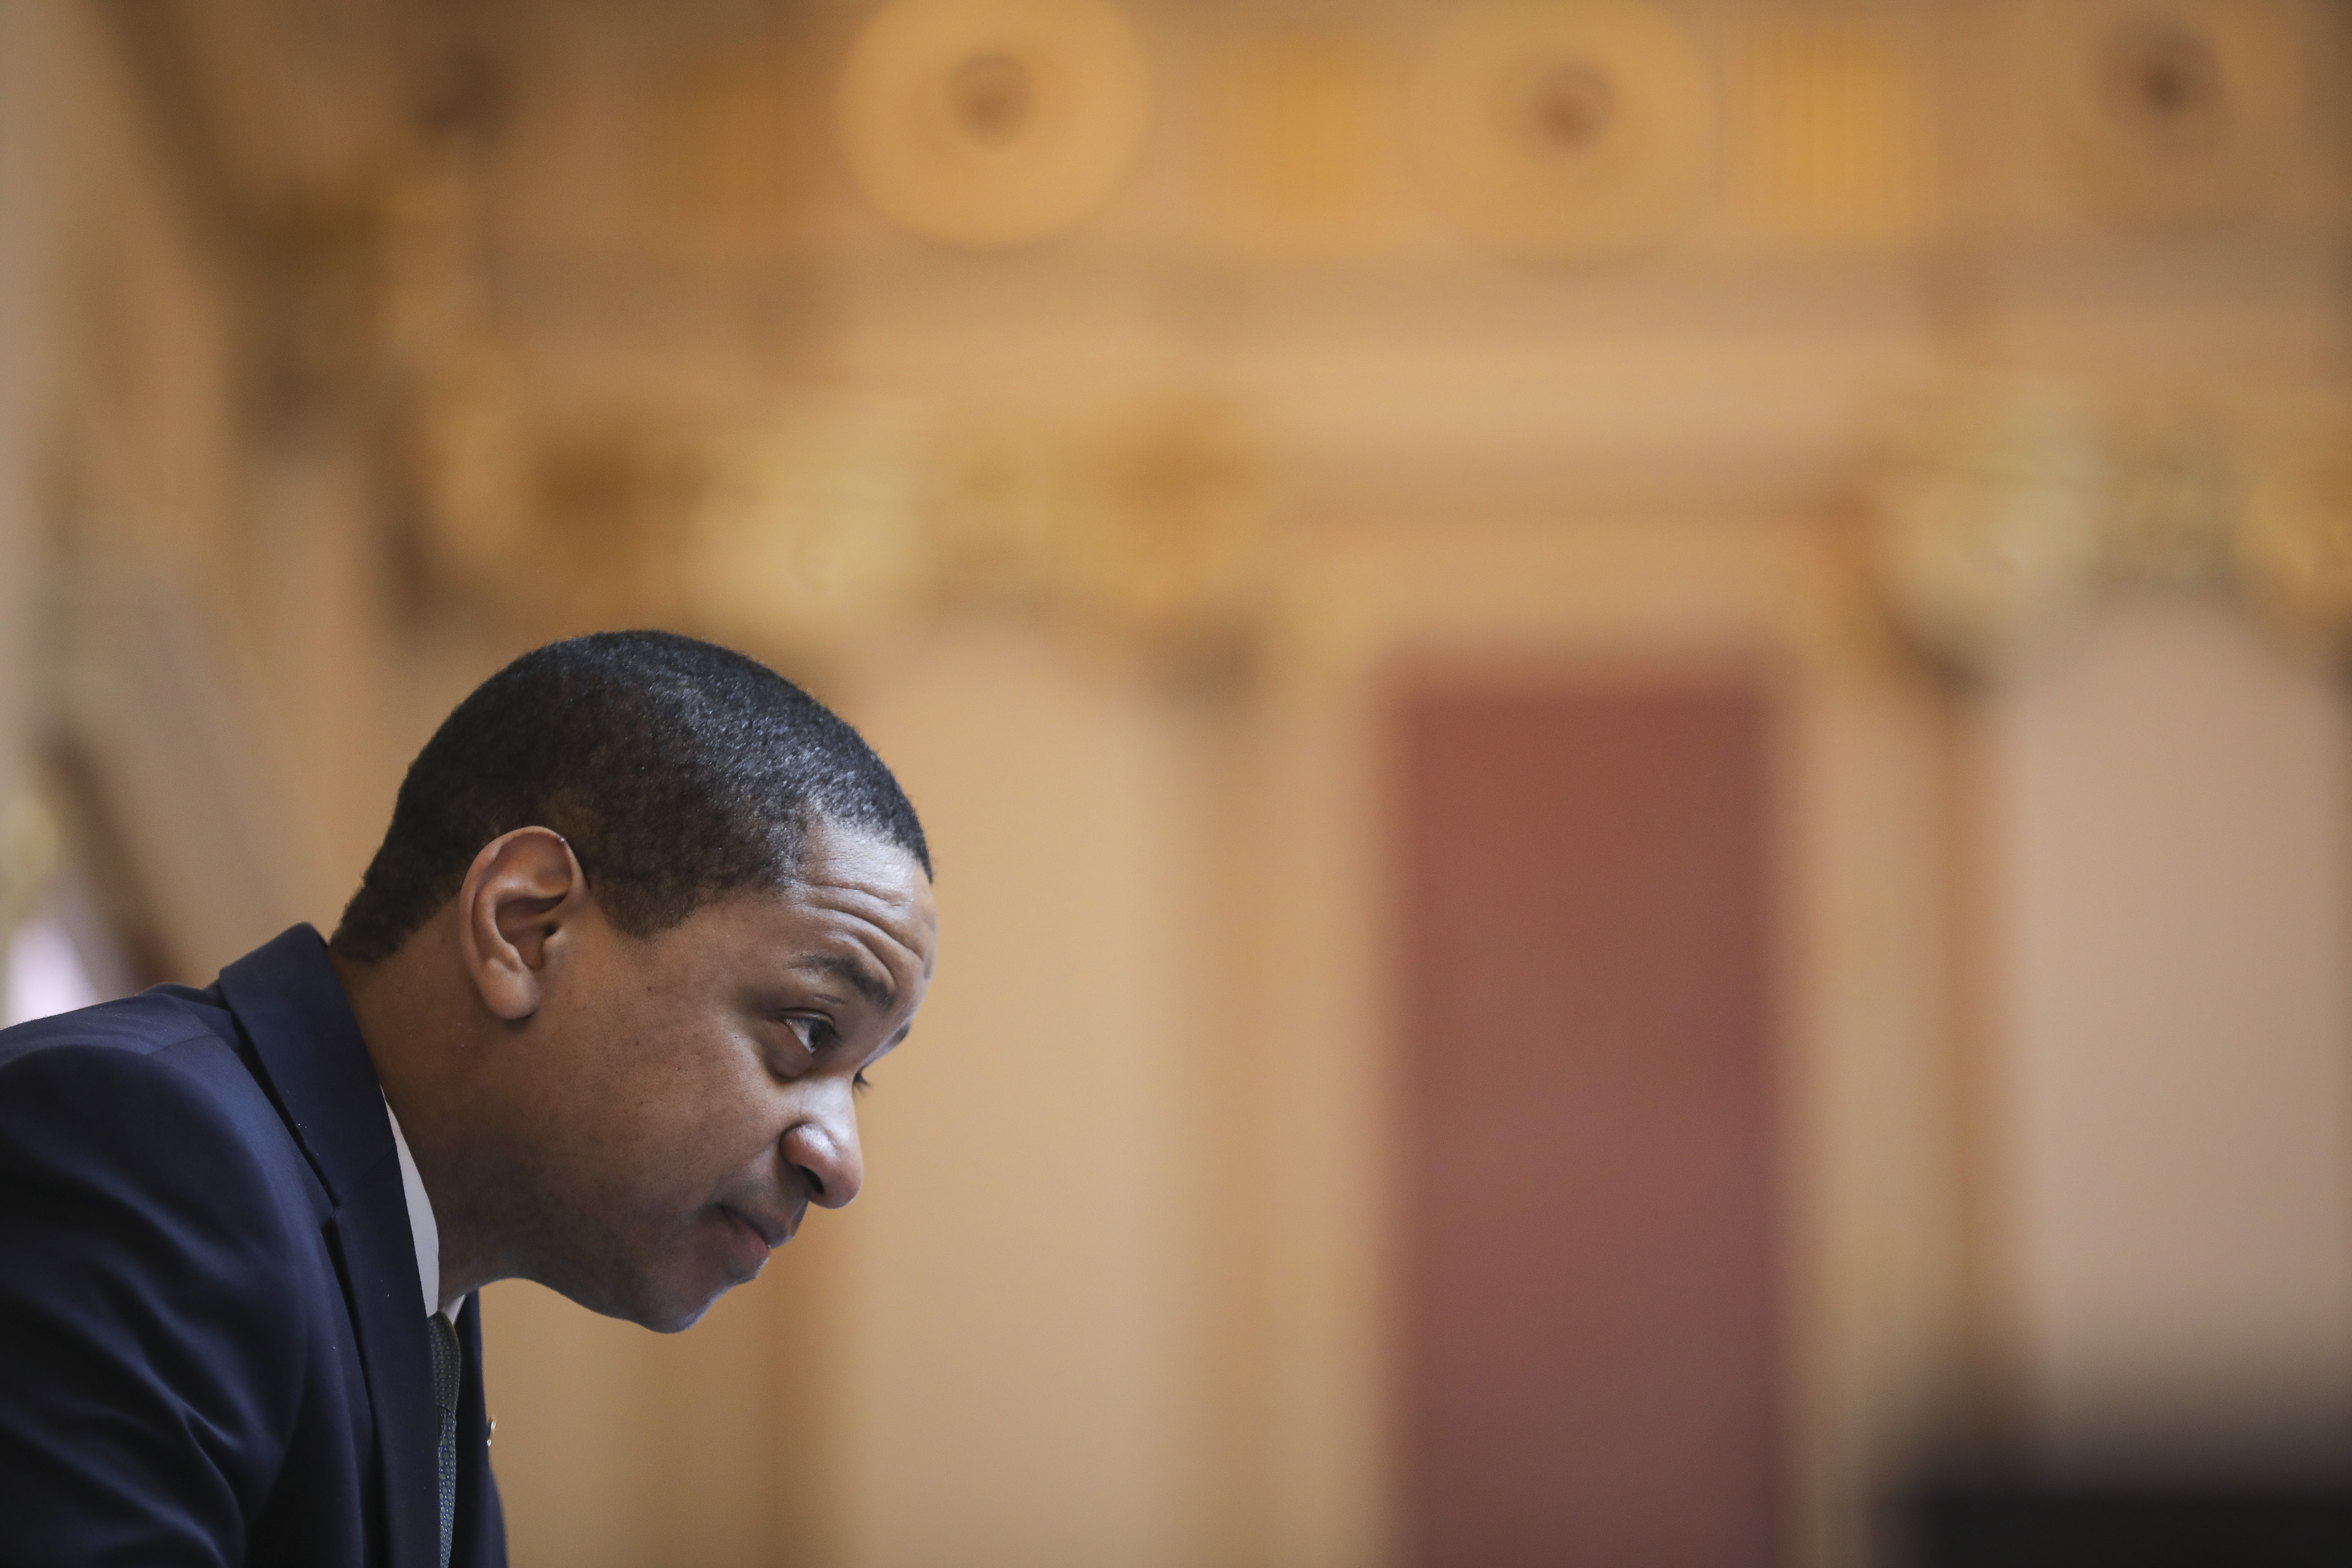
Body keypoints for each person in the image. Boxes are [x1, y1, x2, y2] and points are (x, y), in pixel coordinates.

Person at [0, 631, 939, 1568]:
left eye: (856, 1072)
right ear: (525, 929)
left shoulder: (418, 1291)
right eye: (809, 1030)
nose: (840, 1164)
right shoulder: (145, 1150)